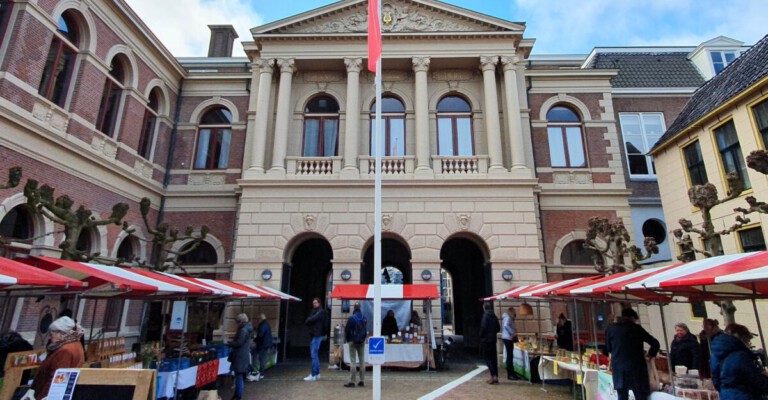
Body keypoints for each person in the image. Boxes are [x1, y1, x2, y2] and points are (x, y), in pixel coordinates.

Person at [22, 317, 84, 400]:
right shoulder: (76, 344)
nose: (50, 338)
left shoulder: (65, 351)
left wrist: (41, 398)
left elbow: (54, 379)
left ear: (61, 334)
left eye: (52, 335)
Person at [605, 308, 660, 400]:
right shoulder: (637, 328)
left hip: (619, 368)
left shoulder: (611, 329)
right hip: (637, 368)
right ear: (632, 318)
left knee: (622, 396)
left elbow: (609, 349)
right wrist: (650, 355)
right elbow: (655, 343)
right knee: (640, 396)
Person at [710, 323, 768, 399]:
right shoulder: (741, 356)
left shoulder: (716, 355)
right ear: (741, 339)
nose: (749, 344)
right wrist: (765, 377)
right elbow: (758, 382)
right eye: (748, 340)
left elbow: (716, 382)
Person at [228, 313, 253, 400]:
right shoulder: (247, 329)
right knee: (240, 376)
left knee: (239, 376)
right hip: (243, 355)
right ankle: (236, 395)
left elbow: (239, 343)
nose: (236, 324)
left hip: (240, 356)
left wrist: (230, 344)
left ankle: (238, 396)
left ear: (240, 321)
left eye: (237, 322)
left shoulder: (243, 330)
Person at [344, 302, 367, 388]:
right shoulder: (364, 318)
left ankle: (352, 381)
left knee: (353, 361)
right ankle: (362, 380)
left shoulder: (351, 318)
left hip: (352, 341)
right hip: (361, 341)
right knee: (362, 361)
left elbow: (347, 330)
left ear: (354, 308)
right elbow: (365, 329)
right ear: (360, 307)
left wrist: (348, 339)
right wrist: (363, 338)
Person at [304, 297, 327, 382]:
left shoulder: (320, 312)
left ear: (319, 303)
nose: (314, 304)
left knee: (314, 354)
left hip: (317, 335)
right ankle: (316, 374)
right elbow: (309, 320)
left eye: (315, 303)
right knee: (315, 354)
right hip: (316, 334)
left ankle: (314, 374)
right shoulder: (317, 312)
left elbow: (310, 319)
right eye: (313, 303)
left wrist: (309, 320)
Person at [479, 301, 500, 385]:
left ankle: (493, 375)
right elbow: (498, 328)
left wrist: (481, 335)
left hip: (486, 340)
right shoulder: (494, 316)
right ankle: (495, 376)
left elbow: (483, 327)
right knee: (493, 358)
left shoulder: (485, 316)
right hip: (493, 340)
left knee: (487, 358)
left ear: (484, 307)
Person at [247, 313, 272, 382]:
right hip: (266, 344)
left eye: (258, 319)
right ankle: (260, 372)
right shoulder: (266, 323)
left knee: (260, 358)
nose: (257, 320)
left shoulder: (262, 324)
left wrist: (254, 339)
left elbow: (261, 334)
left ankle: (259, 373)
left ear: (260, 319)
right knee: (262, 358)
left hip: (262, 344)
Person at [501, 307, 520, 380]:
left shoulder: (508, 317)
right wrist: (512, 333)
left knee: (510, 356)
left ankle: (511, 373)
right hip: (508, 338)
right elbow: (506, 326)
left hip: (507, 338)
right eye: (515, 312)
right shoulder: (508, 318)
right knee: (510, 356)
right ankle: (510, 374)